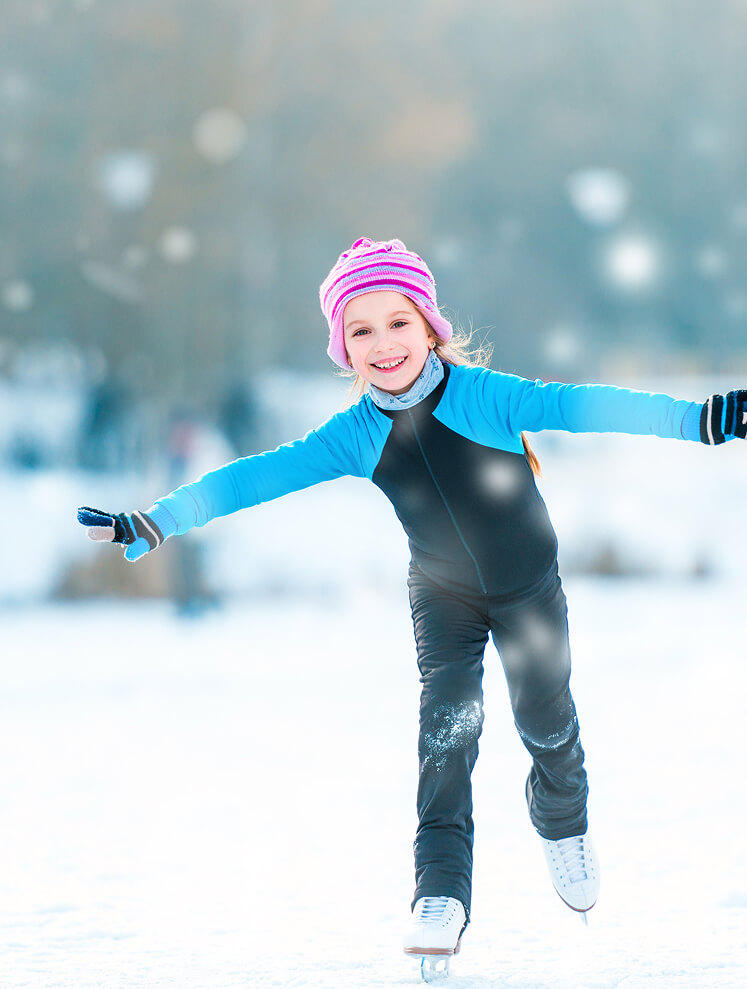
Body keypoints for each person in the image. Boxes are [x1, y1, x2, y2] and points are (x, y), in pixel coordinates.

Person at [77, 236, 746, 976]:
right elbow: (254, 477)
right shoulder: (355, 434)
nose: (382, 343)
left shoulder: (483, 396)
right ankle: (439, 893)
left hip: (527, 587)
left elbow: (585, 405)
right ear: (343, 350)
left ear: (428, 325)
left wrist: (701, 419)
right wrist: (159, 518)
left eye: (396, 322)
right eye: (359, 331)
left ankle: (562, 821)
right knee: (447, 728)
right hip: (443, 596)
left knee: (545, 720)